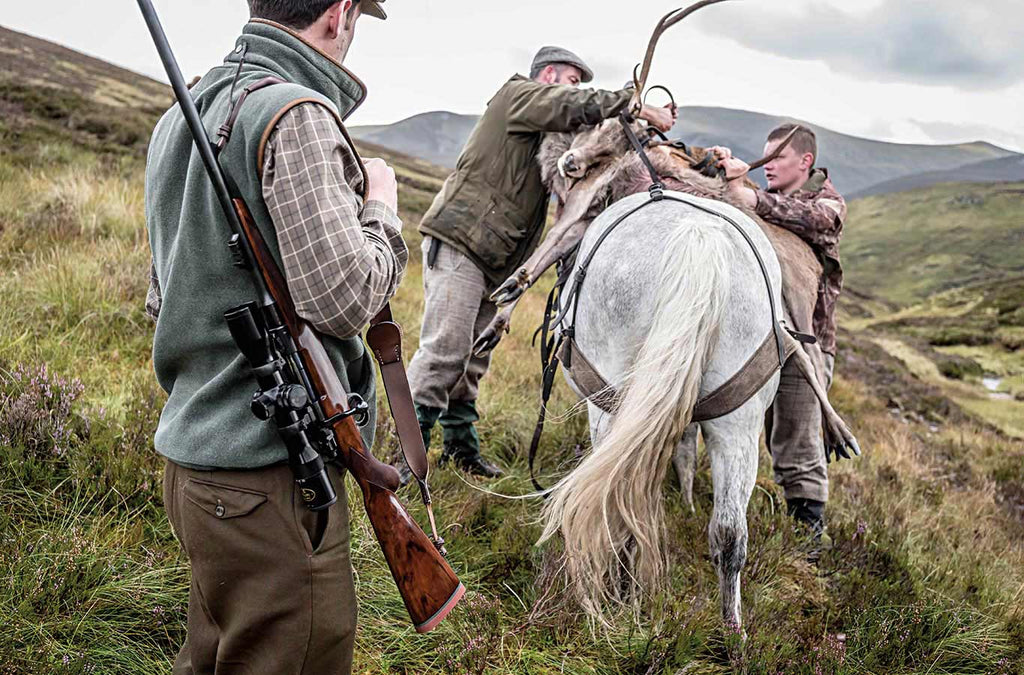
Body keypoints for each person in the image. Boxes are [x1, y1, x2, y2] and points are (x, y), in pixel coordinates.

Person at [144, 1, 406, 672]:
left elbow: (162, 297)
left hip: (197, 466)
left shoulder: (181, 113)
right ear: (340, 12)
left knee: (217, 651)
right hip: (273, 479)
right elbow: (346, 299)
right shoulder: (295, 114)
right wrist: (380, 207)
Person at [407, 47, 677, 477]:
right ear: (548, 75)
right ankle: (406, 456)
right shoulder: (519, 94)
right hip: (463, 239)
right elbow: (569, 106)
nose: (576, 90)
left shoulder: (544, 129)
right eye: (572, 80)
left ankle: (460, 447)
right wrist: (634, 104)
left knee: (473, 357)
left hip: (497, 256)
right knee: (446, 351)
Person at [712, 124, 848, 545]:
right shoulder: (768, 198)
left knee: (798, 440)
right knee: (764, 434)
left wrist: (750, 195)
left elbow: (817, 220)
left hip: (807, 347)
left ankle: (808, 540)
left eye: (777, 158)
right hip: (761, 340)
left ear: (805, 162)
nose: (767, 165)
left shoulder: (827, 202)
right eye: (764, 157)